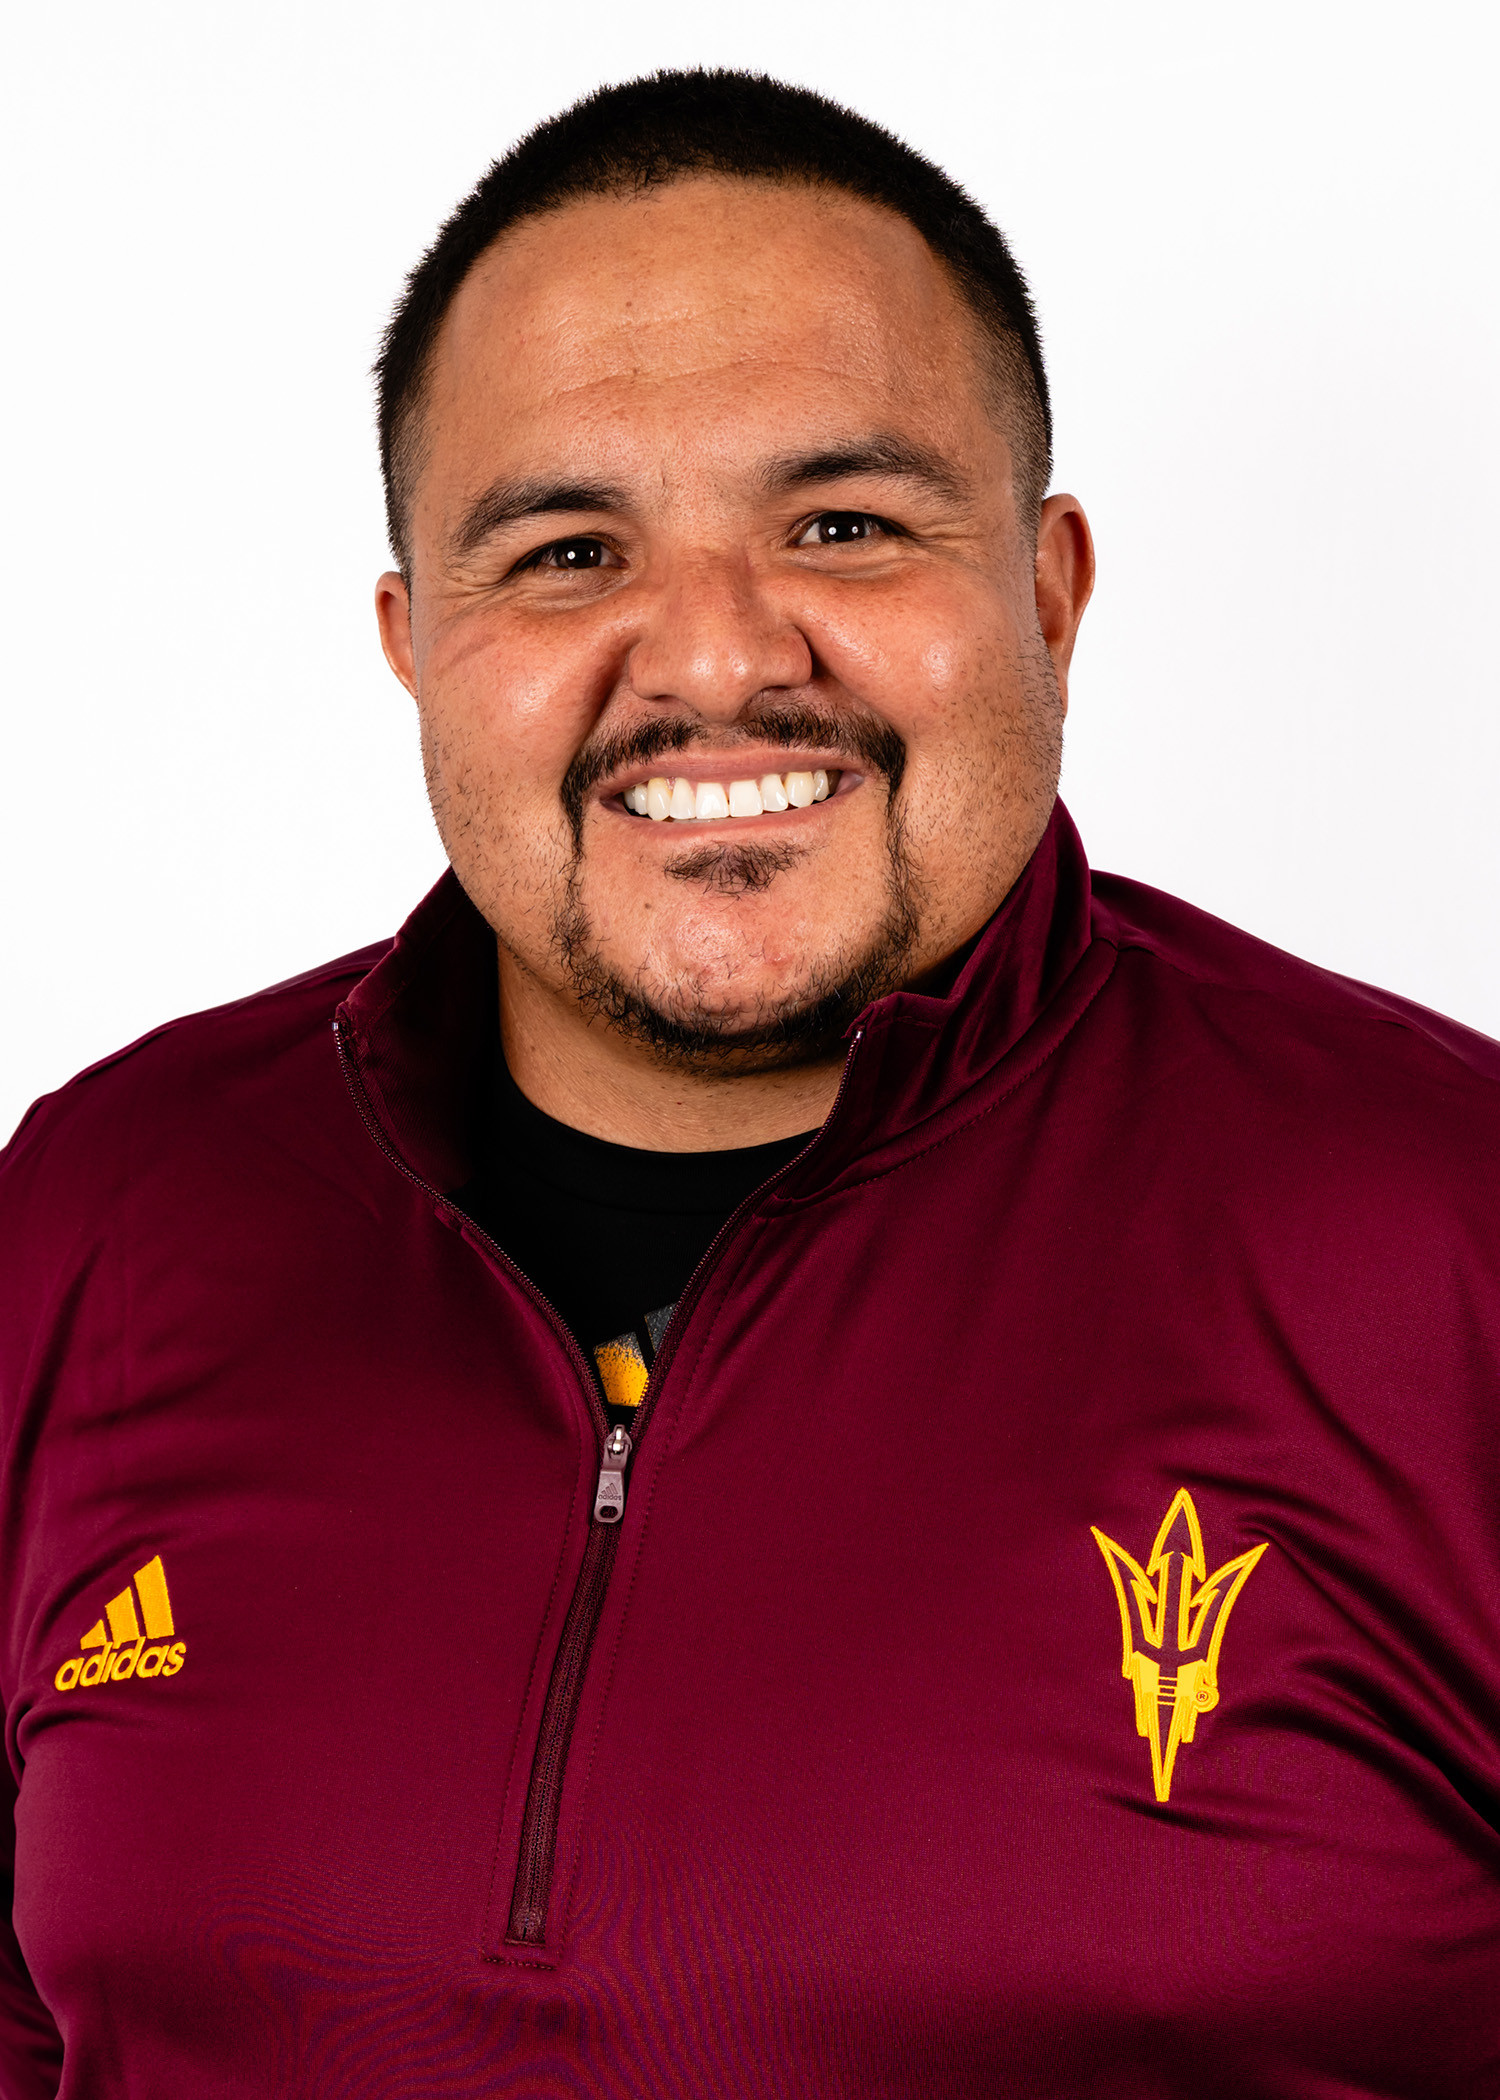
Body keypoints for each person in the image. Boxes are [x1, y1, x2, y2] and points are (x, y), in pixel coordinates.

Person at [1, 67, 1496, 2098]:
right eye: (566, 551)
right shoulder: (93, 1220)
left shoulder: (1450, 1238)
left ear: (1049, 595)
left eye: (843, 527)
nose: (712, 659)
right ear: (415, 645)